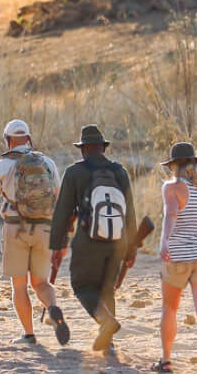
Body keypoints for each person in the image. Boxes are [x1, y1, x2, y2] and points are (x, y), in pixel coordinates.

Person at [0, 119, 69, 344]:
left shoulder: (1, 166)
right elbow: (58, 198)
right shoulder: (47, 162)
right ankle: (53, 308)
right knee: (41, 283)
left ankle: (29, 334)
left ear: (8, 141)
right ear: (28, 138)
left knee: (19, 285)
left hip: (15, 228)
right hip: (44, 227)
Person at [50, 124, 135, 353]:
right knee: (107, 289)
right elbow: (130, 211)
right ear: (103, 148)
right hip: (117, 241)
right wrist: (131, 248)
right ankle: (109, 343)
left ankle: (106, 323)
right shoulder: (120, 171)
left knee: (82, 286)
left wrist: (56, 246)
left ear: (83, 149)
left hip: (87, 242)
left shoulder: (75, 172)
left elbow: (63, 212)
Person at [155, 141, 197, 374]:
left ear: (175, 166)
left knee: (170, 308)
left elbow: (171, 214)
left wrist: (164, 241)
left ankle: (166, 359)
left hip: (178, 254)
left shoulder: (171, 187)